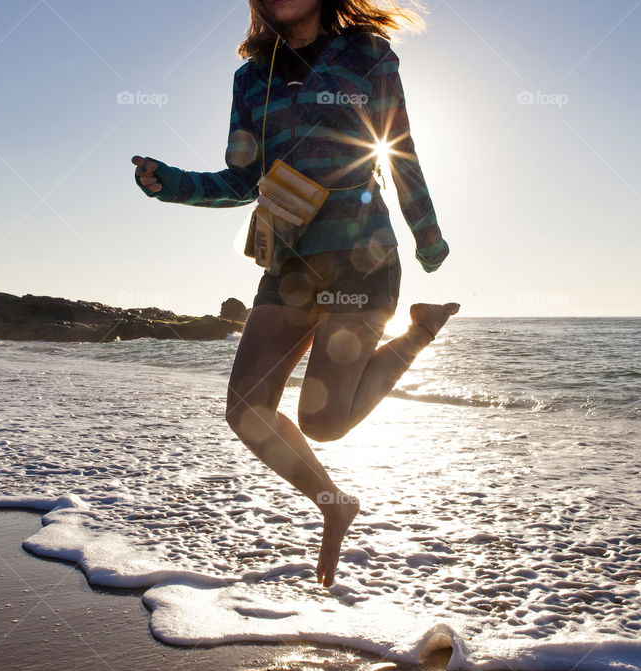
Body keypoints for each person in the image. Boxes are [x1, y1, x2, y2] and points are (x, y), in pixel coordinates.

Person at [132, 0, 459, 587]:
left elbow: (400, 151)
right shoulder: (252, 76)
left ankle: (417, 332)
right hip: (288, 261)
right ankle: (334, 502)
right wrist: (171, 182)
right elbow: (240, 177)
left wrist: (427, 238)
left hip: (362, 257)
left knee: (324, 423)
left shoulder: (368, 56)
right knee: (246, 409)